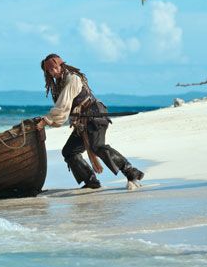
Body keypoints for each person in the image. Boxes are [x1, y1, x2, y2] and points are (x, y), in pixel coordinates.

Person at [36, 54, 144, 190]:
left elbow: (62, 106)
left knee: (97, 146)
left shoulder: (72, 79)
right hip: (82, 123)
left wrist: (46, 120)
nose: (54, 72)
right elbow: (64, 107)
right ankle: (91, 181)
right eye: (50, 71)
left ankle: (132, 173)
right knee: (69, 151)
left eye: (55, 68)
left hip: (94, 115)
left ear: (61, 65)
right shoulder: (58, 85)